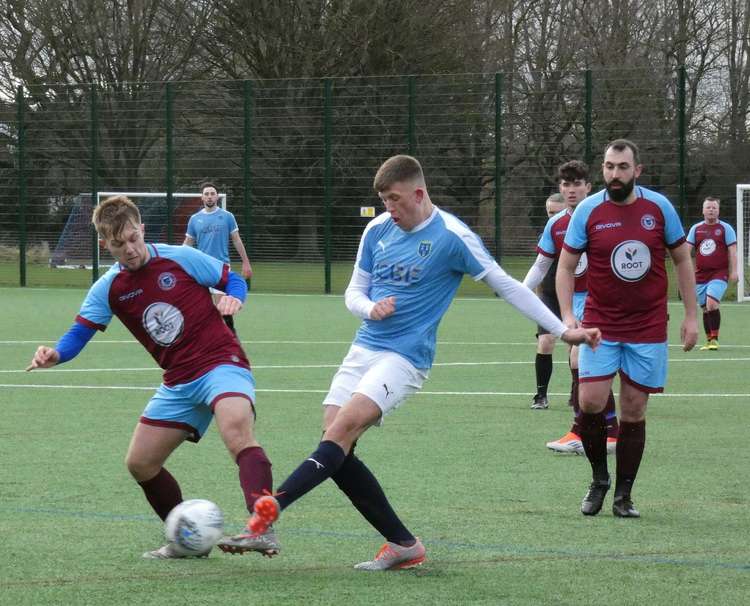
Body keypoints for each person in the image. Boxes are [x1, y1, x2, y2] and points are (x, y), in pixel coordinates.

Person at [242, 154, 600, 570]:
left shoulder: (452, 236)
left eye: (394, 199)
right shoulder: (377, 229)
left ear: (418, 193)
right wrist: (369, 307)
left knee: (339, 432)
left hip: (406, 357)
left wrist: (562, 329)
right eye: (383, 201)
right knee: (335, 446)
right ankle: (403, 544)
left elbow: (507, 285)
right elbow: (354, 292)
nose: (388, 209)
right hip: (364, 348)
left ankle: (268, 515)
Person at [27, 196, 277, 559]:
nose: (129, 249)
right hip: (178, 379)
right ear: (104, 245)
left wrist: (234, 299)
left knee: (236, 428)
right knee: (140, 463)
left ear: (142, 229)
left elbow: (232, 280)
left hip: (221, 361)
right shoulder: (108, 288)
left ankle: (262, 528)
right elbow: (79, 332)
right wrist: (56, 354)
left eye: (133, 238)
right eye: (118, 244)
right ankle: (188, 541)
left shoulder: (180, 257)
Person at [557, 139, 698, 519]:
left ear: (637, 170)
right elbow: (566, 266)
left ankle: (624, 495)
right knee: (589, 401)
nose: (614, 174)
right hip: (600, 325)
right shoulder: (588, 210)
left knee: (634, 409)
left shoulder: (659, 208)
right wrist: (569, 316)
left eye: (622, 167)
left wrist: (690, 315)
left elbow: (683, 260)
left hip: (648, 325)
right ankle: (599, 480)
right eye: (608, 166)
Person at [524, 161, 618, 453]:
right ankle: (604, 430)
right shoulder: (557, 224)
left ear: (589, 187)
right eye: (566, 184)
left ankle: (592, 430)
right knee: (580, 362)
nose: (571, 190)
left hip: (599, 299)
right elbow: (542, 266)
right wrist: (518, 291)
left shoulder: (604, 215)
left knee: (580, 361)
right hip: (572, 302)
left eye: (577, 184)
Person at [184, 182, 252, 335]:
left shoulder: (227, 217)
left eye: (212, 193)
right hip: (200, 269)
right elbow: (187, 245)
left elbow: (236, 240)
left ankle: (231, 336)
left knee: (223, 308)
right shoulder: (195, 219)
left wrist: (246, 262)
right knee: (200, 309)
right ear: (202, 197)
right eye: (206, 194)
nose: (209, 196)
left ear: (217, 196)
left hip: (220, 268)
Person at [525, 192, 565, 410]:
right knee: (546, 342)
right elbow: (540, 267)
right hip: (549, 294)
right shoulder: (550, 232)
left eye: (557, 213)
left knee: (576, 350)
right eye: (550, 213)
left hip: (575, 296)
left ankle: (576, 393)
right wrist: (521, 291)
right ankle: (541, 395)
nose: (553, 217)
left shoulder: (580, 228)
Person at [686, 197, 737, 350]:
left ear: (718, 210)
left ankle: (714, 339)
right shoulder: (696, 229)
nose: (711, 210)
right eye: (708, 207)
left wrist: (734, 271)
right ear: (703, 210)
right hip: (700, 276)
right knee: (705, 308)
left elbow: (733, 251)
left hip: (719, 274)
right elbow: (686, 251)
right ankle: (709, 341)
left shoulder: (725, 228)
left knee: (712, 304)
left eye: (714, 208)